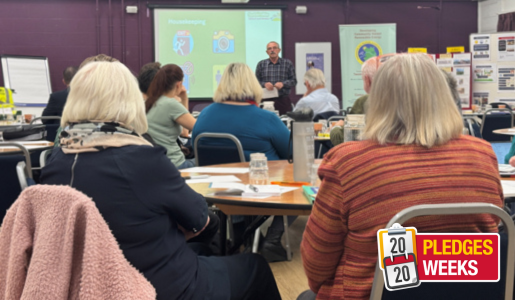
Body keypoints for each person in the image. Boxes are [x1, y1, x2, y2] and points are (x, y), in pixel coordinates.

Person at [41, 61, 281, 300]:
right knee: (255, 267)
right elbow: (199, 218)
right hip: (154, 284)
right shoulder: (141, 158)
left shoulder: (54, 164)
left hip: (88, 284)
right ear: (129, 100)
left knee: (201, 250)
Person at [299, 54, 503, 300]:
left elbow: (317, 264)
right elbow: (492, 232)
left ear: (377, 100)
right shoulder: (482, 154)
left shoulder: (348, 163)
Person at [191, 62, 293, 262]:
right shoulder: (266, 118)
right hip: (260, 186)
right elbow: (292, 153)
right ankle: (273, 238)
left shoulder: (204, 116)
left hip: (215, 188)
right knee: (301, 179)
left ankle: (241, 232)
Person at [145, 64, 197, 169]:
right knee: (218, 159)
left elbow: (184, 132)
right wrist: (184, 98)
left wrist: (183, 99)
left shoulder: (149, 102)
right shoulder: (170, 104)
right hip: (175, 164)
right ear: (179, 84)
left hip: (155, 164)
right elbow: (201, 128)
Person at [255, 41, 297, 115]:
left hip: (283, 100)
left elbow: (294, 81)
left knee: (284, 122)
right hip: (266, 100)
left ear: (279, 50)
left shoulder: (287, 63)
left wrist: (283, 84)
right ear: (267, 52)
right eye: (269, 49)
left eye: (274, 48)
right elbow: (255, 81)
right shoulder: (261, 64)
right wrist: (264, 84)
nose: (272, 50)